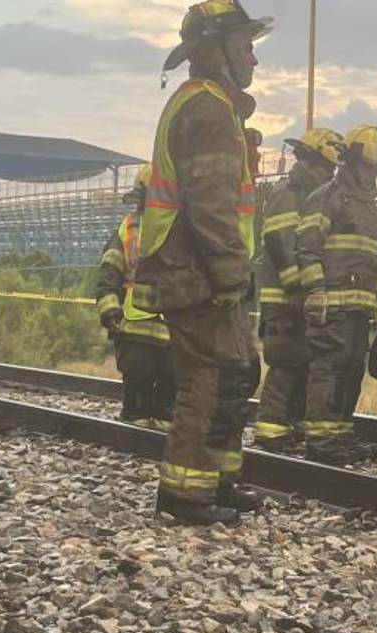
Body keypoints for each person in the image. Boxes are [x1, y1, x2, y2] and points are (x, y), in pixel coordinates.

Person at [132, 0, 272, 526]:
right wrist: (231, 270)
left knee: (233, 373)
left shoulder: (212, 104)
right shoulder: (208, 107)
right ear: (215, 51)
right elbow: (209, 202)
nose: (253, 60)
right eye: (245, 47)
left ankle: (217, 480)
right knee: (207, 378)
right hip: (198, 269)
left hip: (203, 266)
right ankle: (185, 495)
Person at [297, 125, 377, 463]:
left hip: (358, 309)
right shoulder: (327, 197)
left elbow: (375, 259)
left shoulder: (368, 208)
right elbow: (307, 249)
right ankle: (320, 441)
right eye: (370, 166)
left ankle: (339, 435)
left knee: (352, 369)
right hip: (332, 306)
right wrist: (316, 291)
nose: (375, 174)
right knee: (329, 368)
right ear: (352, 163)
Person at [253, 128, 343, 452]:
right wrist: (297, 286)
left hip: (300, 296)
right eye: (326, 168)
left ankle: (292, 426)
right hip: (284, 298)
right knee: (285, 364)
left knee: (304, 361)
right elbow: (280, 242)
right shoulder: (287, 193)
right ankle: (270, 429)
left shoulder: (311, 196)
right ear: (308, 161)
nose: (329, 175)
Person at [95, 164, 176, 430]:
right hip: (135, 326)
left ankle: (157, 439)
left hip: (170, 330)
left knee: (169, 401)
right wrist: (110, 312)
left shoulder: (180, 229)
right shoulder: (127, 230)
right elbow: (109, 274)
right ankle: (137, 439)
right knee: (138, 402)